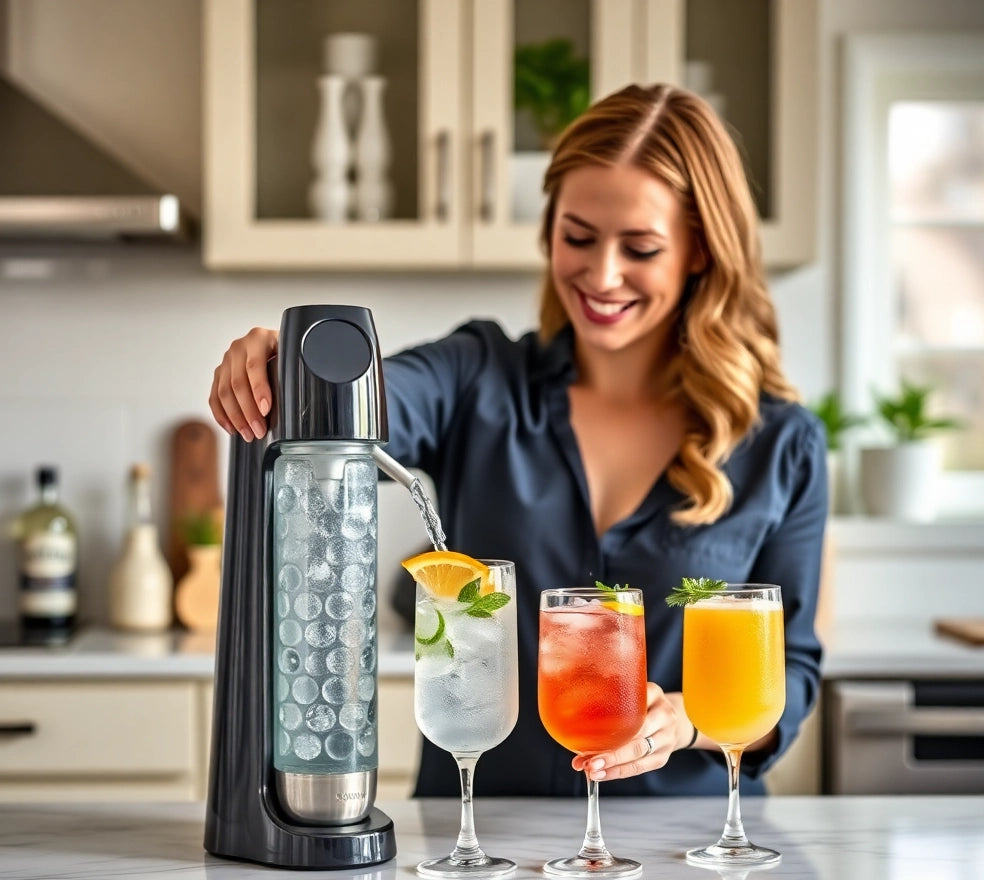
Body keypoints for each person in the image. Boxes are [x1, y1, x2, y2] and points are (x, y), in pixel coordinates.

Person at [208, 83, 828, 800]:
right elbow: (373, 404)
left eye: (642, 247)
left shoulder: (781, 443)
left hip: (684, 860)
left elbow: (795, 671)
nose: (602, 274)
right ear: (548, 232)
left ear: (698, 251)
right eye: (578, 236)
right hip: (480, 849)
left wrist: (689, 717)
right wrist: (294, 370)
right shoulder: (479, 377)